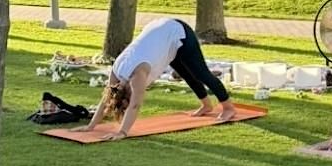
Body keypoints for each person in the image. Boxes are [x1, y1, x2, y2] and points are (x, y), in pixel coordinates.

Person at [79, 18, 235, 139]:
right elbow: (106, 99)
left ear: (127, 94)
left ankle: (228, 108)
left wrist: (122, 132)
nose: (130, 103)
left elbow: (135, 106)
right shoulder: (116, 71)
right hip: (162, 38)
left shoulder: (137, 75)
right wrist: (91, 126)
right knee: (187, 74)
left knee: (201, 74)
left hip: (178, 32)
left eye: (127, 101)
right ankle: (207, 106)